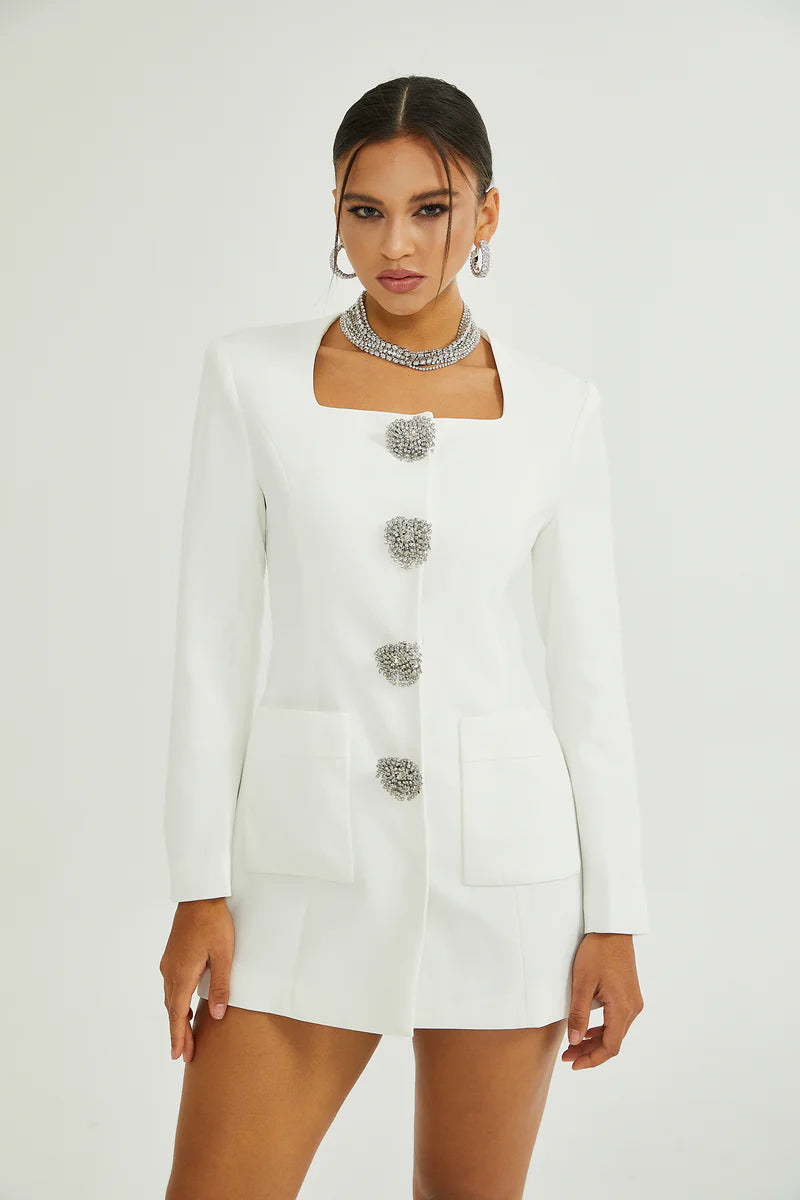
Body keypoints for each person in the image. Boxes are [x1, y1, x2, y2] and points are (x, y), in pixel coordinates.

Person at [160, 73, 649, 1200]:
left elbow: (589, 680)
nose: (396, 244)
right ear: (333, 213)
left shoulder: (558, 409)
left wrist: (614, 917)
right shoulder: (250, 380)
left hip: (506, 877)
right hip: (300, 870)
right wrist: (197, 884)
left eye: (431, 208)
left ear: (486, 214)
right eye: (364, 209)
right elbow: (209, 649)